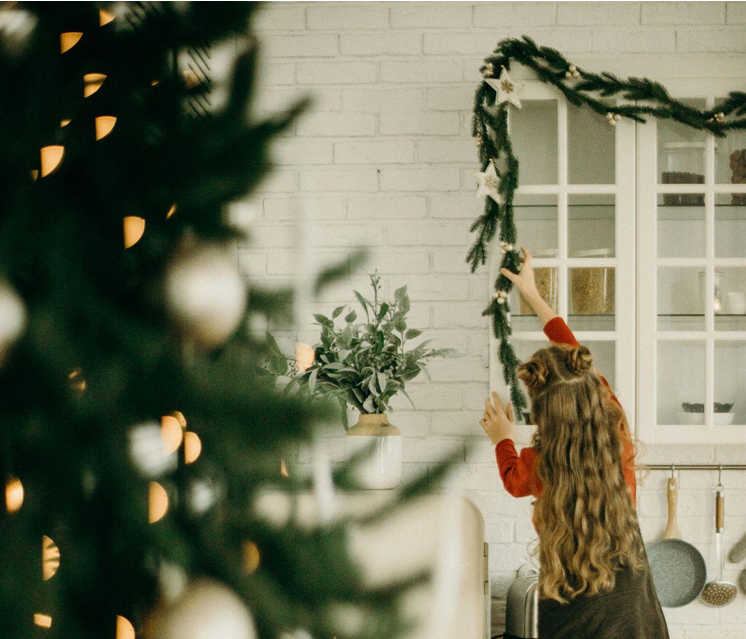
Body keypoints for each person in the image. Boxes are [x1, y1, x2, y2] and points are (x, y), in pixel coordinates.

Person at [479, 248, 669, 639]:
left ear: (543, 414)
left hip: (569, 607)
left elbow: (514, 482)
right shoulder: (617, 438)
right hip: (631, 609)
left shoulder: (539, 464)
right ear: (592, 391)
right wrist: (533, 295)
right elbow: (573, 355)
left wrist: (502, 439)